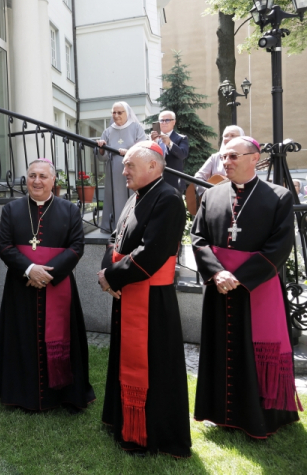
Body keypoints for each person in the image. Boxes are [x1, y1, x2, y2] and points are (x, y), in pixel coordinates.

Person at [191, 136, 302, 438]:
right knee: (219, 348)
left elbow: (280, 246)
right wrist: (217, 273)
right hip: (219, 288)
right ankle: (219, 412)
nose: (226, 162)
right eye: (224, 157)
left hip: (256, 288)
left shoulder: (278, 197)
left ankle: (261, 417)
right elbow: (198, 238)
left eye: (233, 157)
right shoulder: (212, 195)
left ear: (254, 158)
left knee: (255, 351)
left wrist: (238, 277)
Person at [98, 142, 191, 458]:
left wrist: (111, 276)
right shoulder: (136, 196)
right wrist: (105, 270)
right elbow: (115, 238)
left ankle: (156, 433)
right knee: (123, 361)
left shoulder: (168, 199)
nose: (123, 171)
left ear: (153, 166)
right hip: (128, 290)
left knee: (154, 367)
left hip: (152, 301)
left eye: (129, 166)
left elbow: (150, 254)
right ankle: (121, 420)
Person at [0, 159, 95, 412]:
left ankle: (63, 395)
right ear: (26, 179)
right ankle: (21, 394)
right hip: (22, 285)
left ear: (53, 181)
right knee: (21, 337)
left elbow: (76, 247)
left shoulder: (70, 210)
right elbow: (4, 246)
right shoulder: (11, 209)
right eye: (31, 176)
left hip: (56, 284)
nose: (36, 181)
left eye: (42, 176)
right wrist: (29, 269)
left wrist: (46, 274)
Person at [96, 102, 148, 233]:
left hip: (132, 172)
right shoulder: (107, 131)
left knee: (132, 198)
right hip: (113, 173)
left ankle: (133, 227)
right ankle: (114, 227)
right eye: (114, 112)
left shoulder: (136, 128)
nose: (116, 115)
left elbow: (144, 149)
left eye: (120, 112)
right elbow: (102, 158)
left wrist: (129, 152)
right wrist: (101, 149)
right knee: (114, 198)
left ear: (127, 113)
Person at [194, 125, 245, 195]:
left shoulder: (246, 157)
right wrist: (206, 192)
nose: (229, 138)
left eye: (233, 135)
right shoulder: (215, 157)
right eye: (226, 136)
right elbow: (198, 177)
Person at [151, 110, 189, 193]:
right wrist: (153, 143)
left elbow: (182, 155)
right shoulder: (152, 138)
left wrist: (170, 143)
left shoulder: (181, 138)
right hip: (155, 180)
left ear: (174, 122)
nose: (164, 123)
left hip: (174, 182)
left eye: (167, 120)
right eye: (161, 120)